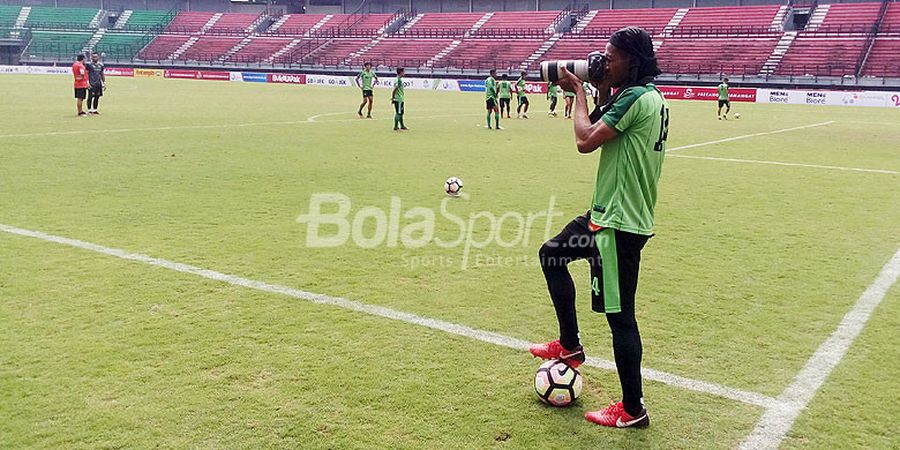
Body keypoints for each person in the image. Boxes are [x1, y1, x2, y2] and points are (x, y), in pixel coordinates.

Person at [529, 26, 669, 429]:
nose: (603, 63)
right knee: (552, 254)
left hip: (617, 223)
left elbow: (586, 139)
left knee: (621, 317)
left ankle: (632, 409)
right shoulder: (649, 96)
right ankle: (569, 346)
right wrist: (601, 88)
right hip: (607, 215)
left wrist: (578, 92)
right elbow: (605, 121)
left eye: (611, 58)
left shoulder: (636, 97)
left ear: (633, 61)